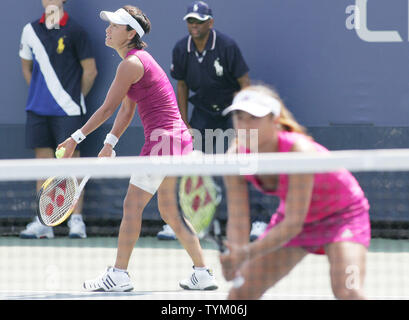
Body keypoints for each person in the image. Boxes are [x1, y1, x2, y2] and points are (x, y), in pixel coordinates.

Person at [58, 5, 218, 291]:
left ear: (131, 33)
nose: (108, 29)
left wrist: (74, 139)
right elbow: (126, 110)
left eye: (116, 26)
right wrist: (109, 143)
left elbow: (107, 109)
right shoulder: (137, 61)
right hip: (177, 140)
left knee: (132, 205)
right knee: (169, 210)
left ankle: (118, 274)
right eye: (109, 25)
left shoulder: (130, 64)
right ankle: (203, 273)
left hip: (163, 142)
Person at [220, 85, 371, 300]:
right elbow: (238, 220)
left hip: (342, 216)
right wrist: (236, 254)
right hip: (296, 218)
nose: (244, 126)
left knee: (349, 289)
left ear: (275, 120)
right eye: (239, 117)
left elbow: (293, 224)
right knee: (240, 294)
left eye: (253, 118)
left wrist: (247, 253)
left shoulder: (300, 152)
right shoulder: (236, 157)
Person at [157, 0, 268, 241]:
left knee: (245, 164)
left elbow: (244, 84)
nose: (194, 25)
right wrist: (183, 122)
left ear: (210, 23)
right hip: (203, 113)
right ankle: (182, 222)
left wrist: (242, 121)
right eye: (190, 21)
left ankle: (258, 221)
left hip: (231, 112)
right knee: (191, 167)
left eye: (198, 21)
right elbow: (182, 85)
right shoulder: (181, 49)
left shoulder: (227, 46)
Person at [19, 0, 97, 239]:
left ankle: (76, 220)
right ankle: (45, 222)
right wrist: (42, 95)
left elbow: (90, 71)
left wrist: (70, 100)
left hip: (69, 111)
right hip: (38, 111)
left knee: (72, 165)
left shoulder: (76, 31)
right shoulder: (30, 31)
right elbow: (26, 67)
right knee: (43, 165)